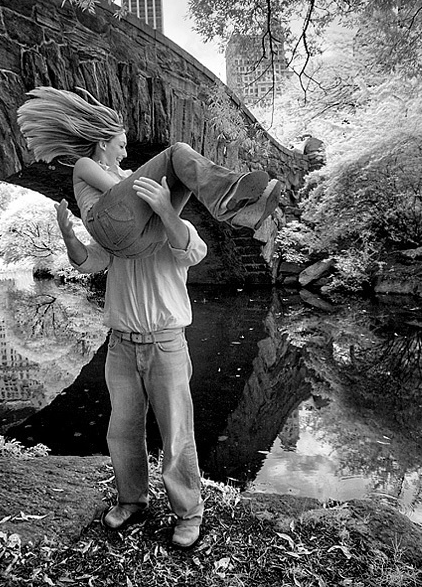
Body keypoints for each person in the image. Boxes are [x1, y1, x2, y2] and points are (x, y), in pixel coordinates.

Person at [54, 185, 207, 548]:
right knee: (122, 430)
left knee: (176, 432)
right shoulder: (117, 239)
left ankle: (188, 513)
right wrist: (67, 234)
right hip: (121, 345)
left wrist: (166, 209)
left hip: (166, 343)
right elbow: (86, 261)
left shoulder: (176, 229)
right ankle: (131, 500)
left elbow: (193, 252)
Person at [17, 86, 282, 260]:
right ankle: (226, 197)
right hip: (109, 225)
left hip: (142, 243)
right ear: (102, 144)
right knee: (177, 152)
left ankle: (241, 211)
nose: (124, 153)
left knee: (184, 174)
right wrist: (140, 177)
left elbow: (130, 190)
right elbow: (114, 189)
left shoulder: (125, 173)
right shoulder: (85, 165)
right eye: (121, 145)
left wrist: (160, 193)